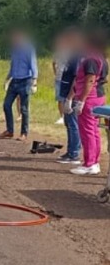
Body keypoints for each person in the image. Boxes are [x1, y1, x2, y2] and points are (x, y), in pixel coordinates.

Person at [65, 32, 107, 176]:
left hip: (90, 98)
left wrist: (81, 100)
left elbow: (89, 80)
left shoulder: (90, 59)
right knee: (94, 131)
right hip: (97, 96)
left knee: (87, 131)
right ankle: (94, 161)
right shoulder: (100, 57)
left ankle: (89, 163)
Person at [0, 30, 38, 141]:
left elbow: (33, 64)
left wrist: (34, 81)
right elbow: (13, 65)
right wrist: (7, 80)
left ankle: (24, 133)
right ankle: (9, 130)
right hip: (14, 80)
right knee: (6, 105)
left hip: (25, 80)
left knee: (24, 108)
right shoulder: (14, 49)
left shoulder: (28, 48)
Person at [54, 29, 82, 165]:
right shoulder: (73, 55)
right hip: (66, 91)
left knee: (72, 124)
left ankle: (74, 153)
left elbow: (77, 78)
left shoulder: (77, 56)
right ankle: (71, 150)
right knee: (69, 123)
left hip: (72, 94)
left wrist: (70, 97)